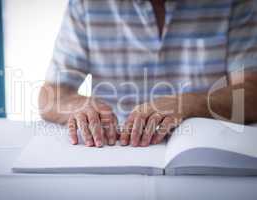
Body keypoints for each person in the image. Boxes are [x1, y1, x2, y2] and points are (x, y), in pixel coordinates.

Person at [39, 0, 257, 148]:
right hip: (114, 150)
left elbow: (252, 93)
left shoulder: (235, 2)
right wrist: (79, 107)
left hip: (206, 151)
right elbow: (49, 96)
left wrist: (190, 104)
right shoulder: (86, 4)